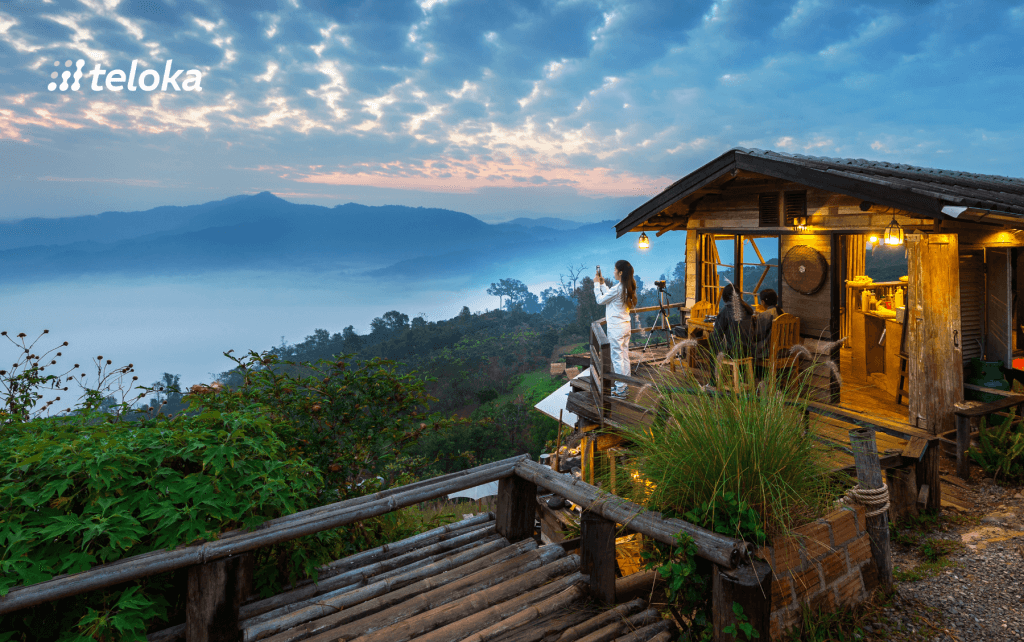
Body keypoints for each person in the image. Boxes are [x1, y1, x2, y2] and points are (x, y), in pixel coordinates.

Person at [594, 260, 637, 398]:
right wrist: (602, 284)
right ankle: (624, 385)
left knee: (617, 358)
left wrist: (596, 284)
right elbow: (610, 296)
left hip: (616, 328)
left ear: (620, 272)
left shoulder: (618, 288)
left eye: (614, 270)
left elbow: (600, 300)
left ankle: (621, 390)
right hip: (625, 326)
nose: (613, 272)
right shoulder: (626, 287)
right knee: (624, 356)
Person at [710, 283, 754, 357]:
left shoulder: (726, 310)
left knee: (712, 337)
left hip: (734, 351)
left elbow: (717, 333)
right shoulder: (747, 309)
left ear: (725, 296)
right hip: (749, 350)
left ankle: (715, 363)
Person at [753, 289, 783, 360]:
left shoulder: (766, 315)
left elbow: (758, 335)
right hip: (783, 349)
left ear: (763, 302)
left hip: (768, 350)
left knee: (746, 346)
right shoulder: (782, 312)